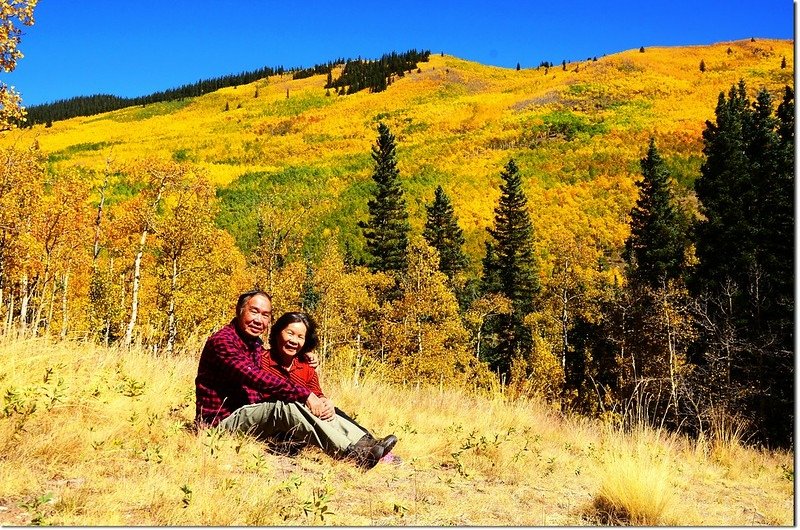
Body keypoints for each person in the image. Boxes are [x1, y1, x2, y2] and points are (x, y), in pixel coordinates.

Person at [195, 289, 397, 469]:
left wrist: (316, 395)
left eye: (265, 315)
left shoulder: (254, 343)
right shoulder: (224, 341)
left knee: (311, 407)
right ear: (239, 309)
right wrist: (305, 395)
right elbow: (254, 377)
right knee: (285, 406)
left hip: (247, 417)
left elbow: (310, 389)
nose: (259, 320)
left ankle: (365, 444)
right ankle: (351, 455)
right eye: (254, 311)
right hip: (219, 423)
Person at [261, 311, 399, 462]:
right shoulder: (262, 361)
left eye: (300, 337)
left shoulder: (305, 366)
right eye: (290, 333)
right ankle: (361, 453)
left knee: (332, 411)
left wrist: (325, 402)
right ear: (277, 333)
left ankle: (373, 448)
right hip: (280, 422)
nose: (294, 341)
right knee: (298, 408)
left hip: (307, 424)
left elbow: (317, 393)